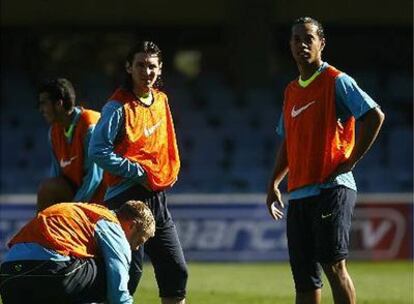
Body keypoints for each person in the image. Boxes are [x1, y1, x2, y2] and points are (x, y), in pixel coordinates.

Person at [266, 17, 385, 304]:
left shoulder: (336, 81)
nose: (302, 44)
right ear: (290, 45)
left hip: (332, 188)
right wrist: (274, 183)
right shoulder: (291, 90)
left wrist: (351, 160)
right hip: (299, 192)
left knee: (333, 266)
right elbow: (289, 142)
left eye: (308, 38)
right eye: (296, 39)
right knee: (304, 279)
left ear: (322, 43)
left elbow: (374, 116)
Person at [89, 41, 188, 304]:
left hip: (156, 196)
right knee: (127, 276)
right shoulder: (117, 107)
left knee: (175, 271)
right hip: (126, 199)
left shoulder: (161, 100)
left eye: (152, 66)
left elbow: (166, 142)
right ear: (129, 68)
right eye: (141, 65)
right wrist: (138, 171)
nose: (147, 71)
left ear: (160, 68)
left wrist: (167, 170)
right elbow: (97, 150)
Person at [0, 200, 156, 304]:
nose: (136, 248)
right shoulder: (110, 223)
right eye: (140, 241)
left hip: (8, 276)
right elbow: (118, 288)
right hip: (49, 269)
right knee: (107, 270)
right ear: (132, 226)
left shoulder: (86, 211)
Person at [37, 78, 106, 211]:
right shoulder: (54, 133)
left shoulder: (89, 124)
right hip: (78, 196)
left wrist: (72, 212)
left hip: (103, 197)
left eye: (44, 104)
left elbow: (95, 177)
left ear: (59, 104)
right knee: (48, 189)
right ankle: (42, 230)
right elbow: (57, 178)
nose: (41, 110)